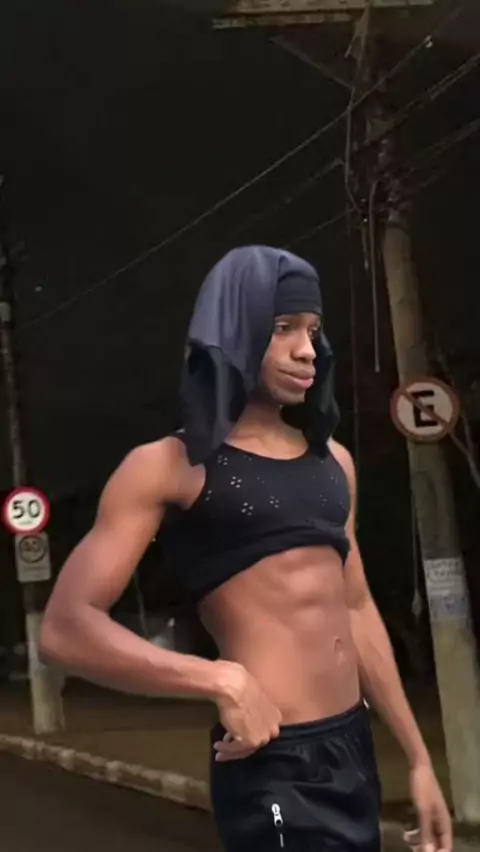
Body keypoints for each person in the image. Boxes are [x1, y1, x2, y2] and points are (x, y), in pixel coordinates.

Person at [40, 246, 451, 852]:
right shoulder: (169, 466)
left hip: (352, 748)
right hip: (271, 762)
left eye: (312, 329)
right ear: (234, 330)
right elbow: (65, 628)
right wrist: (219, 679)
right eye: (283, 328)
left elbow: (356, 607)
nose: (308, 349)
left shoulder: (334, 463)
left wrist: (417, 758)